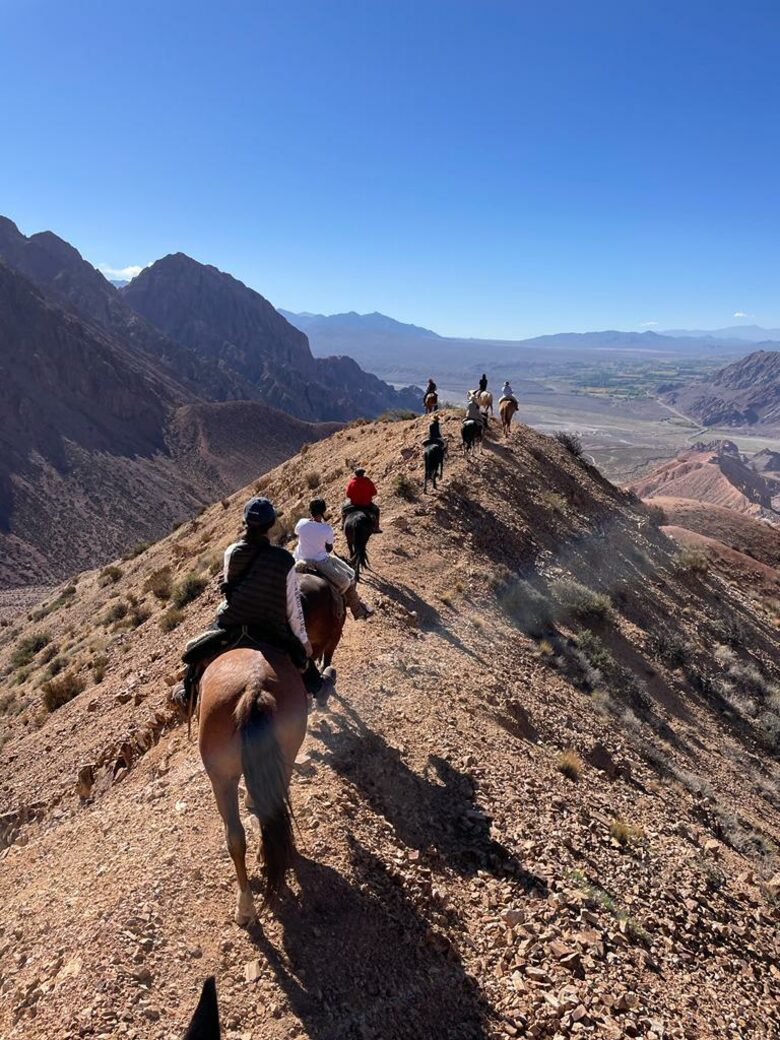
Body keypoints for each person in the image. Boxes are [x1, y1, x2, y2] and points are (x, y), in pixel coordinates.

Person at [173, 496, 321, 711]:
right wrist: (304, 641)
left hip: (234, 620)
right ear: (271, 525)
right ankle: (316, 687)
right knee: (303, 661)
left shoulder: (232, 552)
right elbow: (293, 607)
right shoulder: (284, 559)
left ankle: (187, 694)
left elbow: (229, 588)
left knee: (194, 650)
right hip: (272, 625)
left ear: (245, 523)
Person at [294, 500, 373, 619]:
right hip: (320, 562)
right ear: (323, 511)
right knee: (348, 578)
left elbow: (298, 533)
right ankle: (356, 609)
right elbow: (329, 548)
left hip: (299, 558)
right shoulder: (326, 529)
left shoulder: (301, 523)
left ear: (310, 510)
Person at [343, 467, 382, 533]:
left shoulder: (351, 482)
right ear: (363, 474)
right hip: (366, 504)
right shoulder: (368, 481)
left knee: (344, 508)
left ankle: (343, 525)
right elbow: (374, 492)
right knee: (377, 510)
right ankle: (376, 527)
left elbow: (348, 495)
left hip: (354, 504)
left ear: (356, 474)